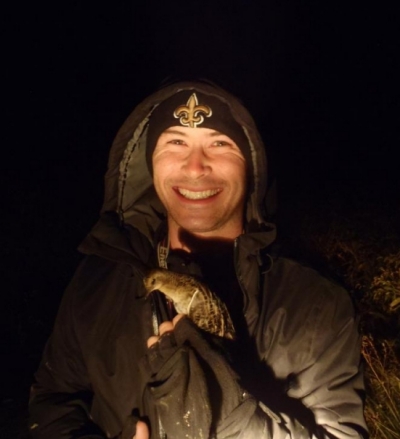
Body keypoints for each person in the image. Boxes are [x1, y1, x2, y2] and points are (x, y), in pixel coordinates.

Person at [29, 80, 368, 438]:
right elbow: (53, 398)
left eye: (220, 144)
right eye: (175, 142)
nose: (194, 168)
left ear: (251, 167)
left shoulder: (315, 305)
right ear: (150, 163)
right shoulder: (98, 278)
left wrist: (229, 417)